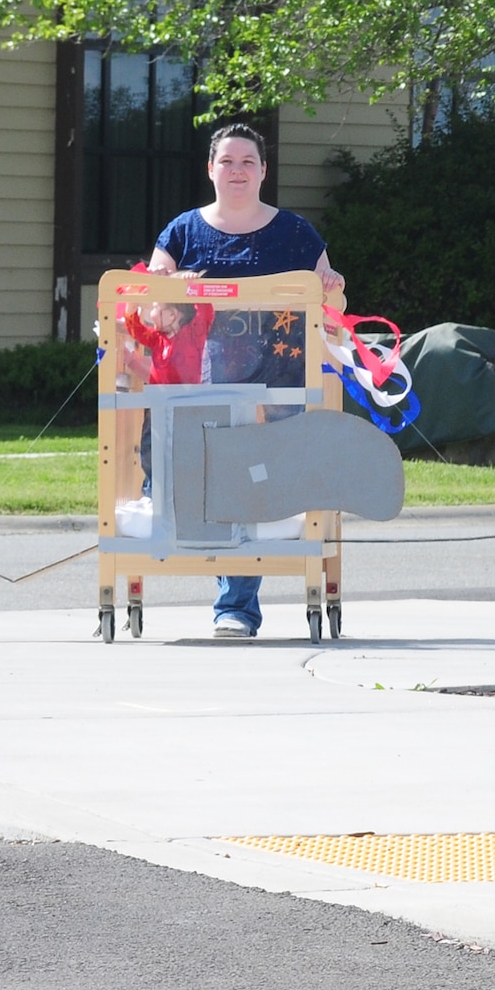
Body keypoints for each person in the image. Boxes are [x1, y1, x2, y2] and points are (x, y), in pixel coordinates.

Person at [146, 123, 344, 639]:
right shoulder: (182, 232)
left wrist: (330, 282)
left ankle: (242, 600)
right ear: (210, 169)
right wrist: (167, 292)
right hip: (214, 380)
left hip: (288, 378)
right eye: (227, 161)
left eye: (247, 162)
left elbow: (331, 293)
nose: (237, 170)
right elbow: (148, 307)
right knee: (231, 479)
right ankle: (236, 606)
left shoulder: (297, 233)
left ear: (263, 171)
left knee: (267, 478)